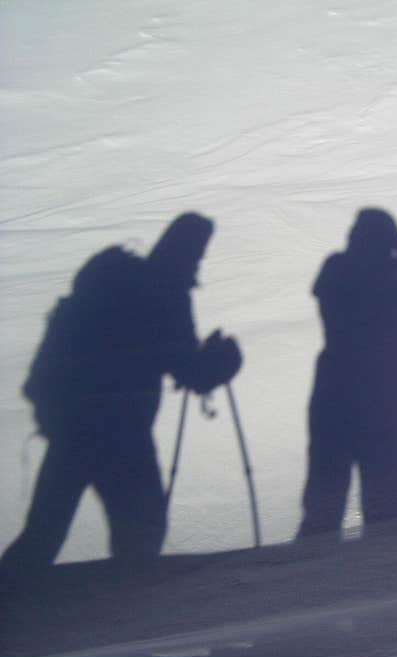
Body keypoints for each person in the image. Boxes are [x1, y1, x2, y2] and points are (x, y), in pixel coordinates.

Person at [1, 212, 243, 574]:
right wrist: (223, 362)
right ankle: (130, 611)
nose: (198, 261)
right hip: (123, 433)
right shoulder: (166, 292)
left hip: (73, 427)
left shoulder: (116, 286)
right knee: (141, 530)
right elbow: (188, 369)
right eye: (198, 253)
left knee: (44, 532)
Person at [295, 209, 397, 544]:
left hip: (339, 402)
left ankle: (311, 578)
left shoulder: (340, 270)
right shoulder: (375, 276)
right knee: (382, 510)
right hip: (380, 405)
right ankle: (383, 578)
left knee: (326, 503)